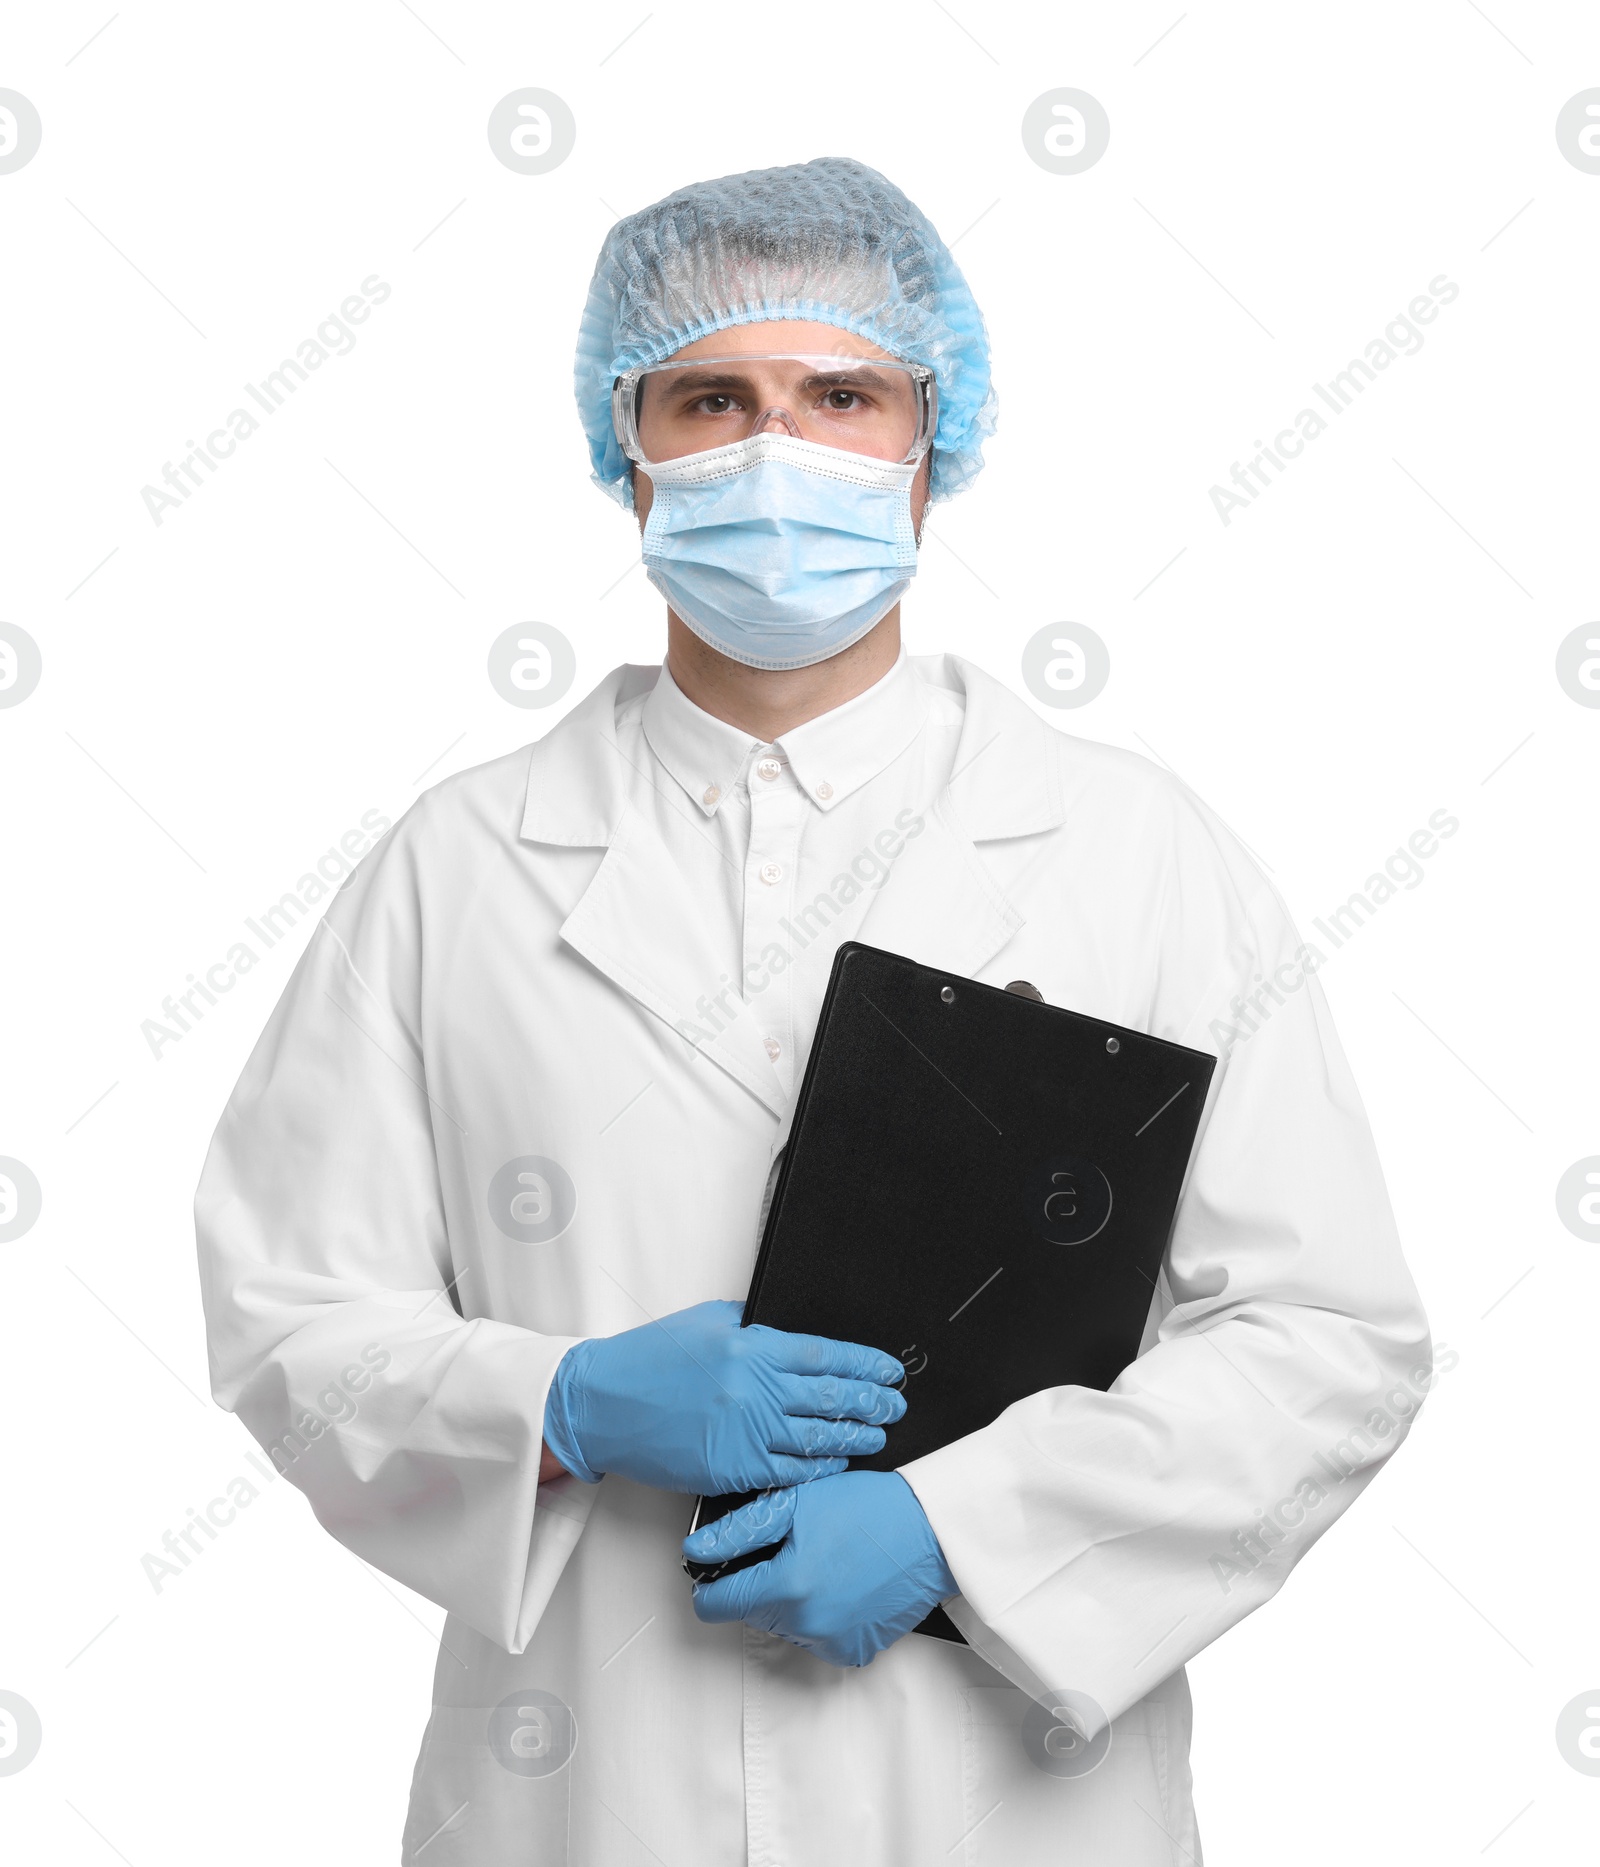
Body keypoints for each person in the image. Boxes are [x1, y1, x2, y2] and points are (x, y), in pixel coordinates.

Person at [195, 156, 1431, 1864]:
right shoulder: (460, 866)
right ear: (624, 450)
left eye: (841, 394)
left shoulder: (1134, 851)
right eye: (713, 396)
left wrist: (966, 1530)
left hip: (1006, 1799)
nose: (776, 450)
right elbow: (289, 1319)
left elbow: (1326, 1341)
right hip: (591, 1793)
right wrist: (553, 1404)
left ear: (936, 444)